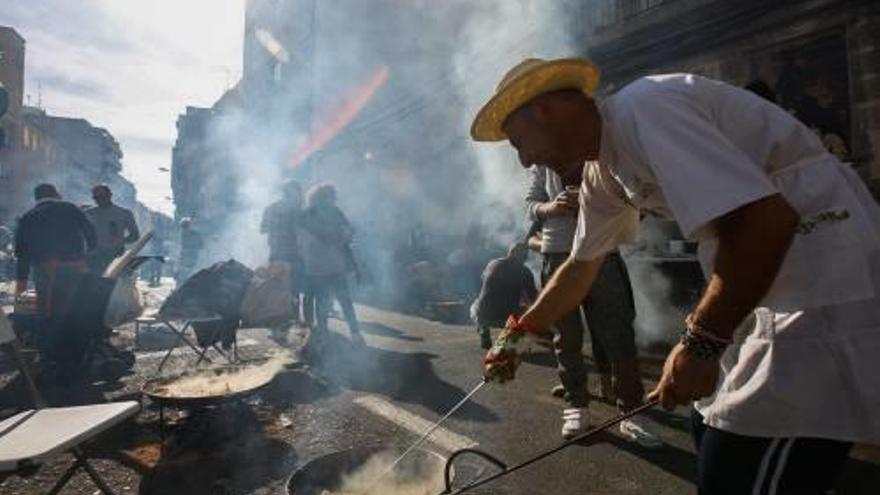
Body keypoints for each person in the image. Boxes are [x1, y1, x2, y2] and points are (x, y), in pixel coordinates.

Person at [471, 58, 880, 494]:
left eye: (518, 143)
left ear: (544, 109)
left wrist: (700, 344)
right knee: (708, 427)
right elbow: (579, 267)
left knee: (740, 466)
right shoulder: (602, 171)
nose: (524, 160)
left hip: (822, 280)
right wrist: (515, 336)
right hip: (767, 292)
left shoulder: (645, 109)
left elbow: (764, 222)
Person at [526, 164, 660, 445]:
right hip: (557, 250)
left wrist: (592, 203)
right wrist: (552, 207)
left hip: (602, 249)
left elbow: (636, 199)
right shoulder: (542, 161)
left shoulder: (599, 152)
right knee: (566, 335)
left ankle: (632, 411)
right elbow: (530, 204)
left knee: (618, 331)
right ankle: (577, 405)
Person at [14, 184, 97, 369]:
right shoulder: (70, 208)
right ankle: (77, 351)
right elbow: (91, 235)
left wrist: (21, 284)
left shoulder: (28, 217)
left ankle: (50, 354)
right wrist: (87, 255)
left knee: (48, 311)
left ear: (36, 198)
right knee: (78, 309)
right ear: (56, 194)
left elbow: (22, 254)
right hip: (77, 270)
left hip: (46, 273)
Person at [299, 183, 363, 345]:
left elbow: (300, 240)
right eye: (332, 195)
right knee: (344, 300)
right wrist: (342, 237)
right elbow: (348, 233)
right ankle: (354, 333)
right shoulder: (334, 212)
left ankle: (322, 334)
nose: (334, 199)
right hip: (333, 264)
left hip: (315, 265)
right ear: (327, 196)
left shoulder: (306, 214)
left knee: (322, 300)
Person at [469, 242, 537, 350]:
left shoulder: (492, 263)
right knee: (527, 310)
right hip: (507, 318)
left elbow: (483, 283)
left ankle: (483, 330)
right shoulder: (525, 272)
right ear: (523, 257)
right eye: (525, 256)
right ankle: (511, 337)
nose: (526, 258)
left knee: (474, 306)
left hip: (484, 315)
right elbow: (534, 299)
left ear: (510, 253)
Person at [261, 179, 304, 323]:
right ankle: (294, 318)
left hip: (276, 253)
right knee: (294, 288)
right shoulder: (299, 210)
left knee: (277, 286)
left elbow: (263, 229)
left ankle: (278, 319)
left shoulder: (271, 208)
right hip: (294, 254)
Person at [84, 185, 140, 275]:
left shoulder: (124, 213)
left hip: (114, 256)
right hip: (93, 258)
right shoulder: (88, 214)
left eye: (102, 197)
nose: (99, 200)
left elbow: (135, 235)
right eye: (96, 197)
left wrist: (121, 241)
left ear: (110, 195)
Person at [177, 217, 203, 284]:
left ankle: (181, 286)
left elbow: (200, 244)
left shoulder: (184, 233)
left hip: (187, 254)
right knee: (188, 271)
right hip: (190, 254)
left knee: (184, 271)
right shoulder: (193, 233)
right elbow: (201, 245)